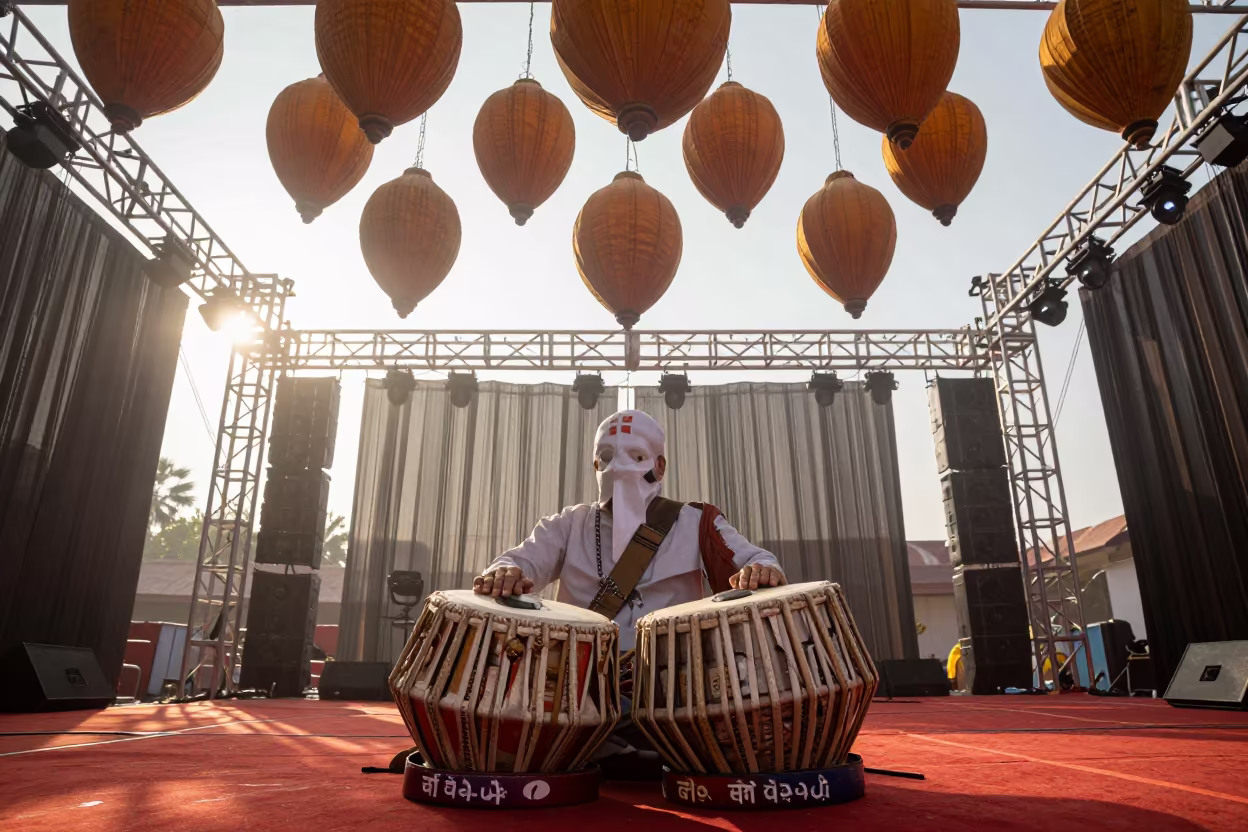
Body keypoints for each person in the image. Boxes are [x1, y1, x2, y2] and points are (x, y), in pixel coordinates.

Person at [473, 409, 786, 779]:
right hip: (585, 681)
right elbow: (520, 560)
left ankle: (618, 746)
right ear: (595, 465)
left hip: (675, 679)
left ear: (659, 465)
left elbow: (754, 559)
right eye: (606, 458)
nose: (618, 468)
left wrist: (763, 569)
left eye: (635, 457)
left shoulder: (696, 521)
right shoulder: (568, 524)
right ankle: (627, 745)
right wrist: (504, 572)